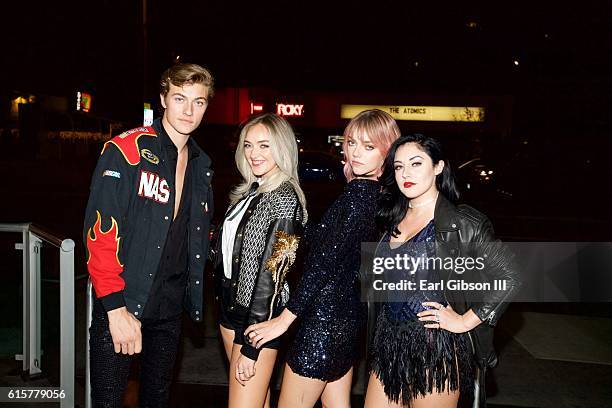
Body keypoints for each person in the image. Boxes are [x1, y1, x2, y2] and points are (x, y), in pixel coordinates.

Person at [245, 109, 400, 407]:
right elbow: (330, 245)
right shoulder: (374, 193)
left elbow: (323, 263)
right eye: (352, 142)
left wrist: (284, 319)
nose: (355, 153)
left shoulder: (358, 197)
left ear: (387, 151)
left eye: (369, 147)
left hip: (323, 321)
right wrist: (295, 225)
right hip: (347, 318)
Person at [83, 63, 215, 407]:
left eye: (198, 102)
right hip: (124, 303)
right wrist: (114, 309)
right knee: (108, 401)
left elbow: (193, 237)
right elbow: (100, 234)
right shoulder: (125, 150)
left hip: (170, 310)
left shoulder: (203, 165)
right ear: (163, 99)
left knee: (157, 400)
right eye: (180, 98)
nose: (188, 110)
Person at [364, 134, 521, 408]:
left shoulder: (462, 222)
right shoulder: (389, 217)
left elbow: (510, 276)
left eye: (416, 163)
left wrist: (464, 321)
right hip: (387, 343)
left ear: (438, 167)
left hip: (435, 348)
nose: (405, 174)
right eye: (399, 167)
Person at [212, 113, 307, 408]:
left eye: (264, 146)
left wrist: (252, 347)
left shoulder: (284, 198)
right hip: (232, 309)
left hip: (257, 319)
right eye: (249, 145)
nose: (254, 153)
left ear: (282, 148)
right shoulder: (251, 191)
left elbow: (273, 274)